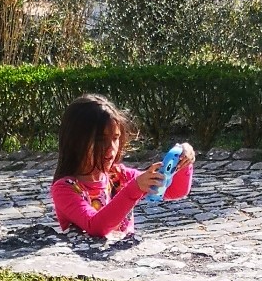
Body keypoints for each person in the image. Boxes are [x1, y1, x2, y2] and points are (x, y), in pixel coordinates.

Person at [51, 94, 195, 237]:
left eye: (115, 138)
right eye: (101, 140)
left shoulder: (119, 175)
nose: (111, 148)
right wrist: (133, 189)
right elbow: (95, 227)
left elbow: (175, 190)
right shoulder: (65, 189)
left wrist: (183, 162)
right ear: (76, 142)